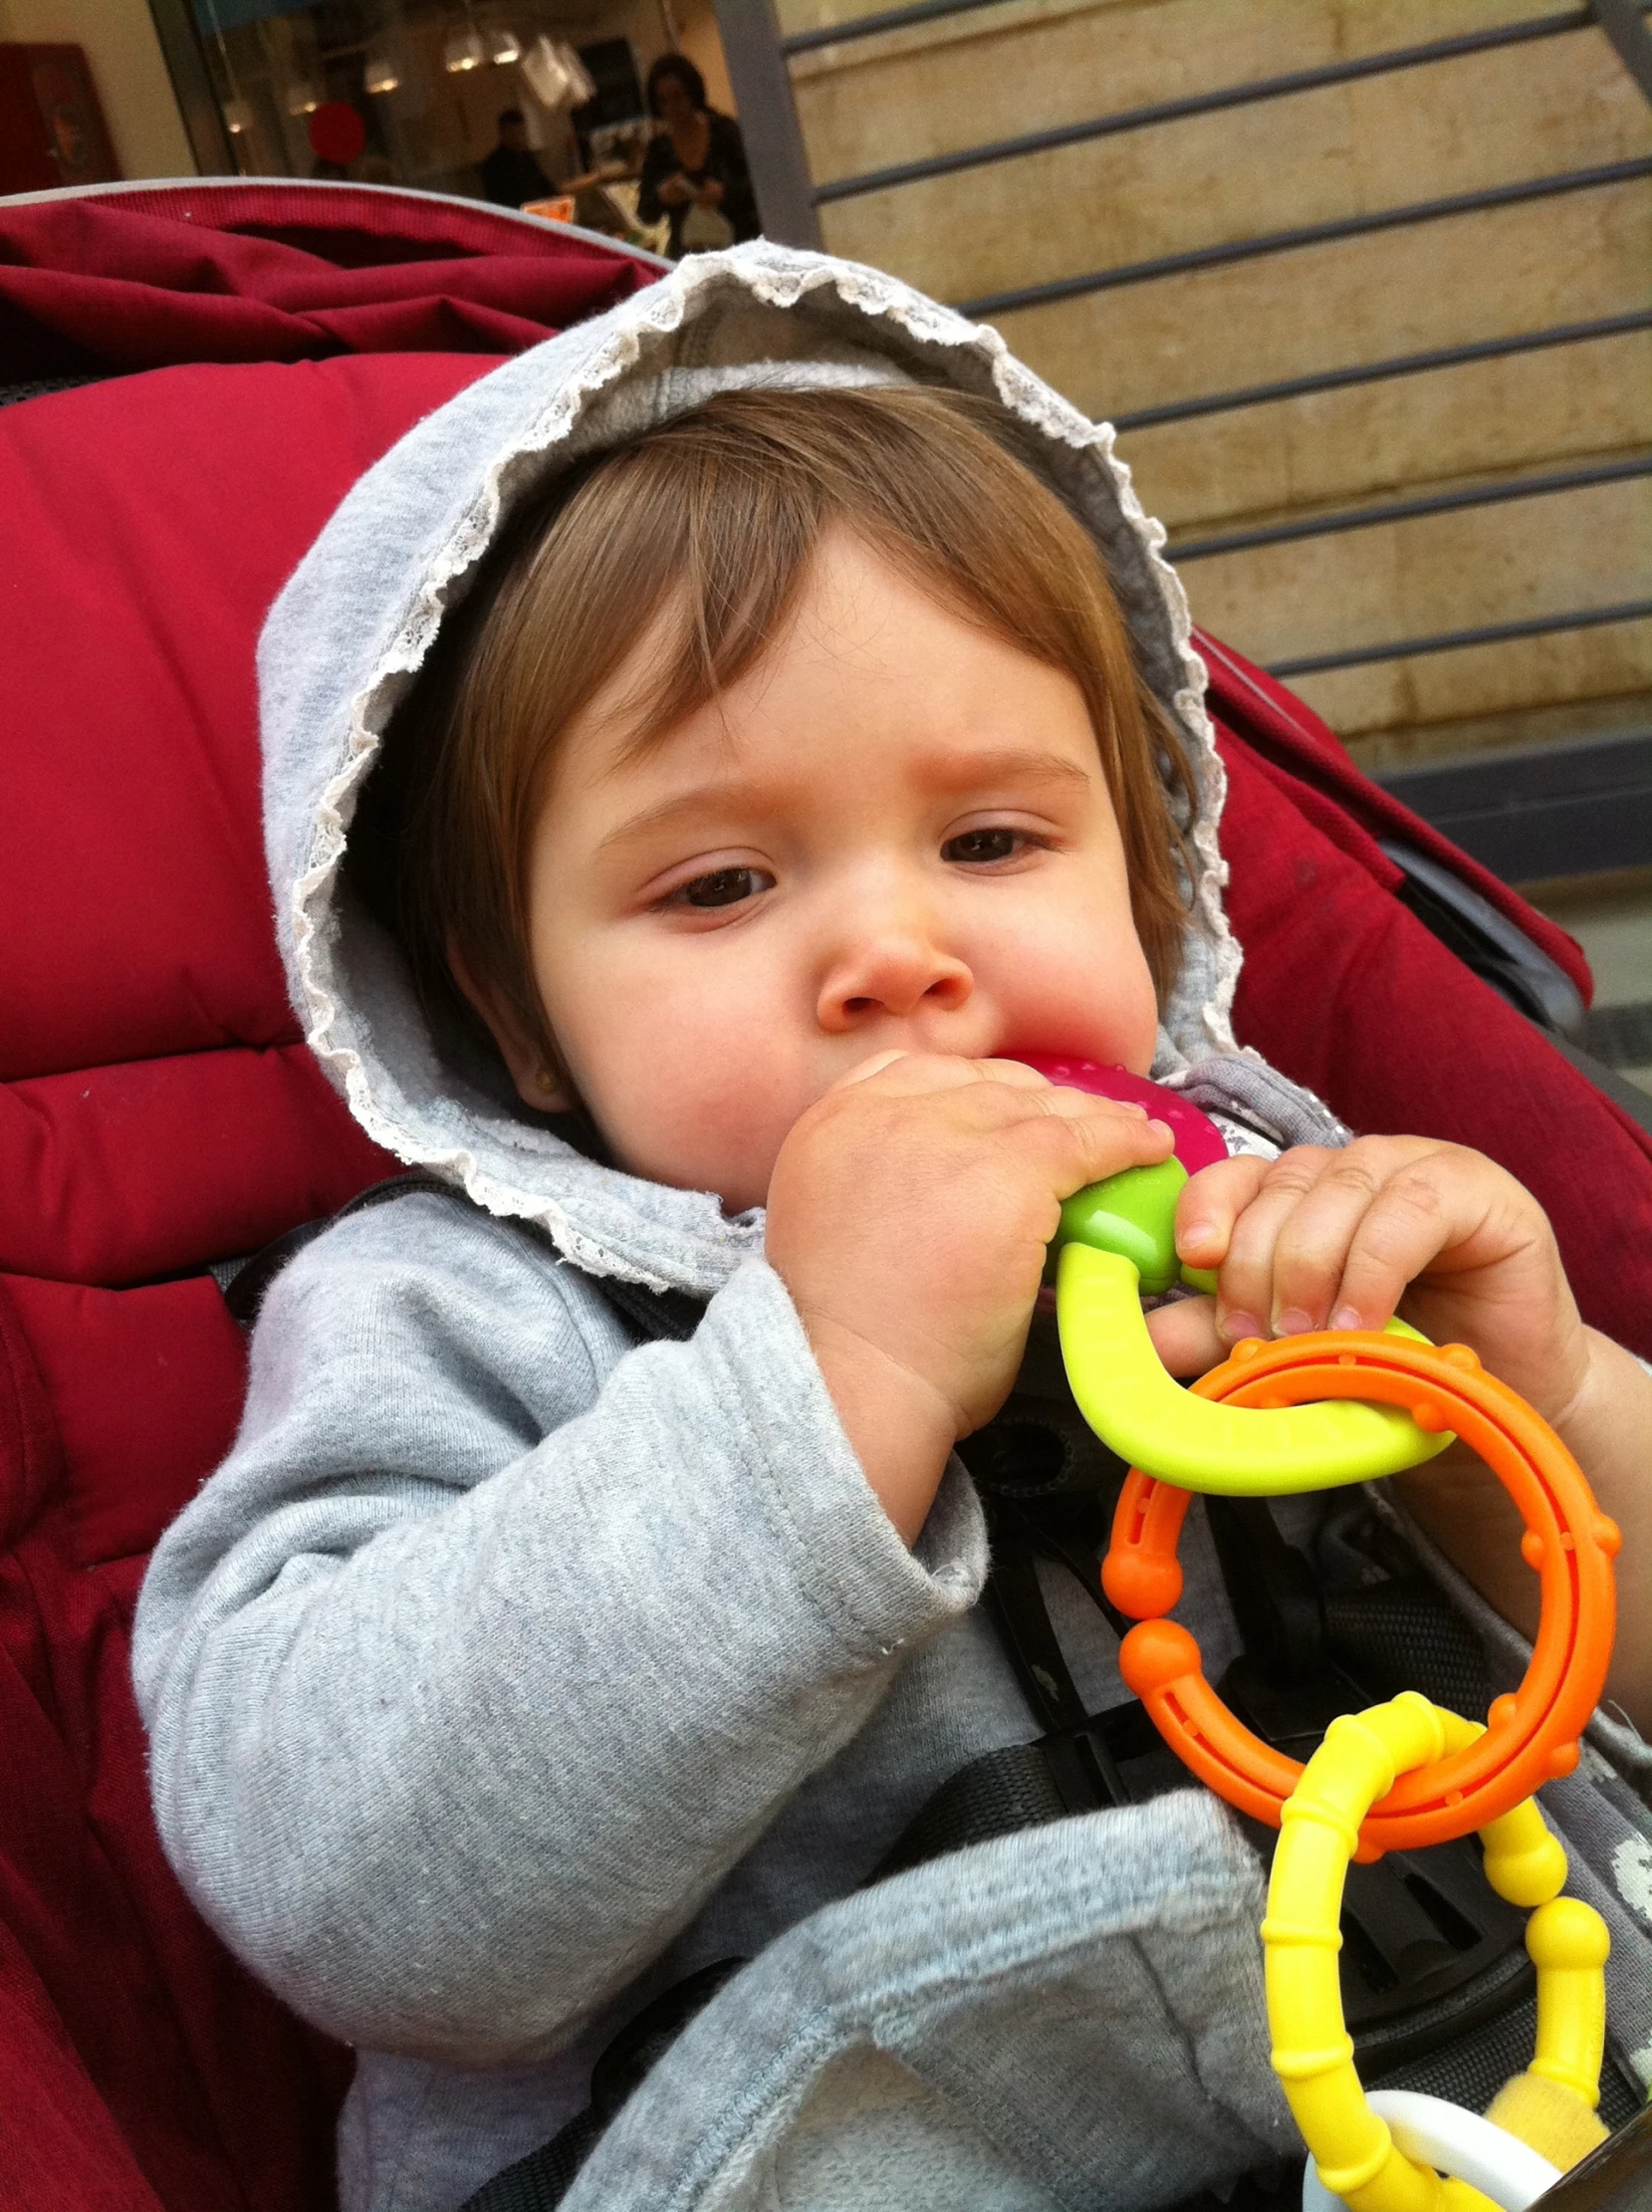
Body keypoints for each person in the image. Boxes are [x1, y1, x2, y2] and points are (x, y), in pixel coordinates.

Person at [131, 250, 1652, 2212]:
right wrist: (824, 1386)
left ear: (1151, 876)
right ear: (506, 1007)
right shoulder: (455, 1312)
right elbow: (353, 1899)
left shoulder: (1275, 1186)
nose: (891, 954)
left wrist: (1532, 1396)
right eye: (722, 880)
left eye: (994, 842)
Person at [636, 53, 758, 256]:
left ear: (692, 93)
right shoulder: (659, 150)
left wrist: (724, 194)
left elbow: (759, 185)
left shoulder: (724, 132)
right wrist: (663, 196)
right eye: (664, 101)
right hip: (692, 254)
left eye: (678, 96)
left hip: (743, 246)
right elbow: (645, 213)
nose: (672, 108)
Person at [481, 107, 554, 209]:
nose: (519, 139)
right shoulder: (492, 166)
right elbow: (501, 205)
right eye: (513, 134)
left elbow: (548, 189)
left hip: (538, 216)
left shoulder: (527, 158)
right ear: (502, 134)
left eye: (521, 133)